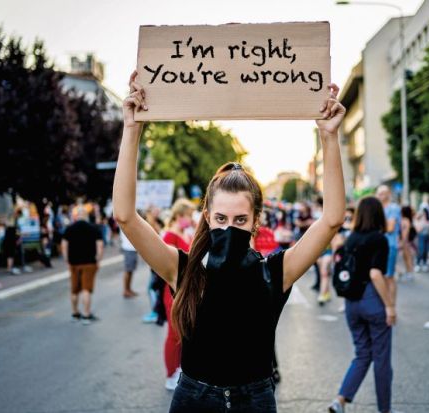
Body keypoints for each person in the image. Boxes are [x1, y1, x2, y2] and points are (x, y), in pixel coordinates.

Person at [113, 70, 346, 413]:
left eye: (240, 220)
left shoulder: (275, 272)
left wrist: (329, 137)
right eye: (221, 219)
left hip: (255, 401)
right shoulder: (183, 269)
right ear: (207, 216)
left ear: (255, 222)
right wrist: (132, 129)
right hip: (193, 399)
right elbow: (125, 216)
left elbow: (332, 220)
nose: (229, 227)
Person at [328, 197, 396, 413]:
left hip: (351, 304)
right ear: (379, 215)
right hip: (371, 300)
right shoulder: (379, 239)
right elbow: (376, 274)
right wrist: (390, 306)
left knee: (362, 353)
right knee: (381, 359)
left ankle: (340, 400)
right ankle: (384, 410)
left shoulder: (350, 239)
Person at [160, 199, 195, 391]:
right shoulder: (170, 235)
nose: (190, 219)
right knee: (174, 334)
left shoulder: (183, 232)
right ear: (180, 215)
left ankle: (179, 369)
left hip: (185, 288)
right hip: (174, 289)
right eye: (189, 215)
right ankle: (170, 374)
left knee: (183, 333)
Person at [61, 212, 104, 325]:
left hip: (74, 263)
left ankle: (75, 314)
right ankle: (86, 315)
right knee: (86, 289)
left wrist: (67, 260)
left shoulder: (69, 229)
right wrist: (98, 259)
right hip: (89, 263)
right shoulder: (94, 228)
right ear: (86, 217)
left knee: (74, 290)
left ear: (76, 216)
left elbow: (64, 245)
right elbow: (100, 246)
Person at [375, 186, 400, 307]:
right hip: (378, 245)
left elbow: (390, 228)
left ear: (389, 194)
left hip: (389, 245)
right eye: (378, 194)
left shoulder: (393, 208)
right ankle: (385, 304)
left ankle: (391, 305)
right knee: (381, 276)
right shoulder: (378, 208)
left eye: (383, 193)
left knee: (389, 276)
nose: (380, 196)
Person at [120, 228, 139, 298]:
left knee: (130, 271)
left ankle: (128, 289)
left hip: (131, 248)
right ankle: (126, 290)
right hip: (129, 248)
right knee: (128, 270)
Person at [399, 206, 416, 281]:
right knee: (406, 257)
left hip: (406, 242)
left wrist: (403, 242)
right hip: (406, 242)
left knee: (408, 257)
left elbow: (405, 233)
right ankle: (408, 272)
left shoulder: (405, 220)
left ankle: (410, 273)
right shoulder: (407, 220)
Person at [414, 207, 429, 272]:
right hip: (421, 236)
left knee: (426, 251)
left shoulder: (428, 220)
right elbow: (418, 230)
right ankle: (418, 264)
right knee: (421, 250)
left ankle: (424, 263)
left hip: (427, 237)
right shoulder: (417, 220)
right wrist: (423, 223)